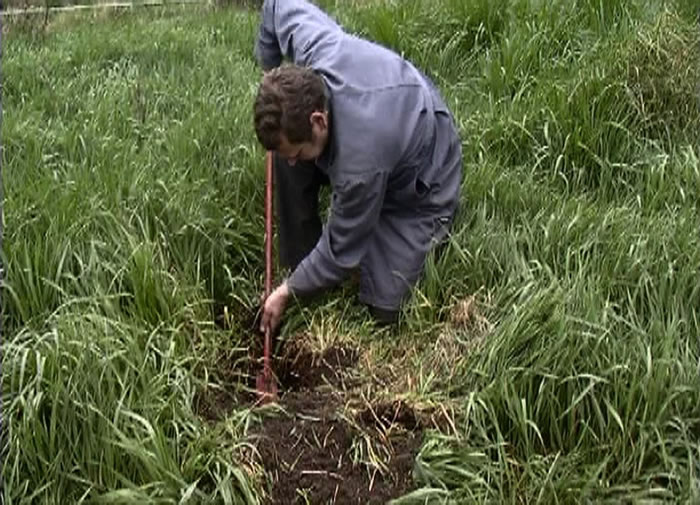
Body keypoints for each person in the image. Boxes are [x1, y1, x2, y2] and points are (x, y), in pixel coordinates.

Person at [253, 0, 462, 333]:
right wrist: (269, 69)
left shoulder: (360, 165)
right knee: (286, 156)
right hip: (381, 112)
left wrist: (286, 292)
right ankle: (302, 265)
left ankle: (306, 280)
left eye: (299, 151)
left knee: (384, 310)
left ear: (318, 120)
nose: (291, 160)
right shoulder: (314, 48)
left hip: (423, 173)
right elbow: (276, 5)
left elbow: (341, 248)